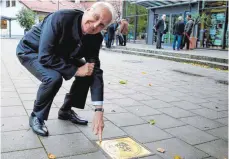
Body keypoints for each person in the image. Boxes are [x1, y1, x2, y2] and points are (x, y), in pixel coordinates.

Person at [16, 2, 115, 140]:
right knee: (53, 77)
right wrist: (75, 70)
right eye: (95, 17)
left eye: (101, 25)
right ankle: (37, 116)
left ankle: (66, 111)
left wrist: (99, 110)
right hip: (32, 50)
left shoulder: (96, 37)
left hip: (59, 54)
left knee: (88, 72)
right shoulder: (60, 18)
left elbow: (96, 69)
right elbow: (45, 56)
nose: (94, 25)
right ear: (88, 10)